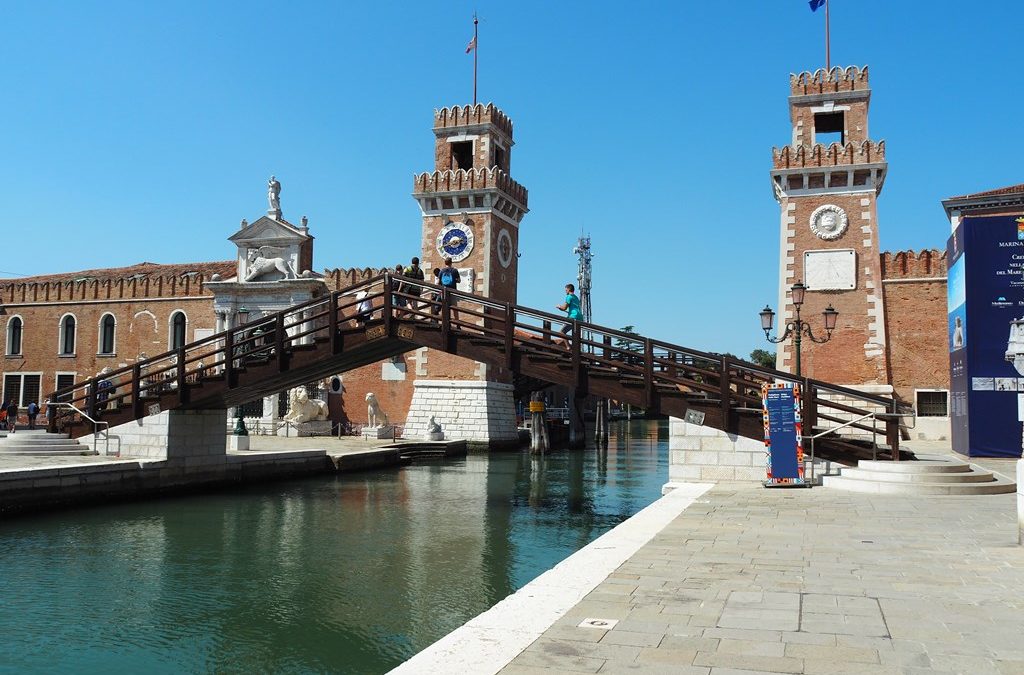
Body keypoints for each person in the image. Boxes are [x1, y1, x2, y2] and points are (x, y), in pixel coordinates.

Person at [556, 283, 583, 349]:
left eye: (566, 290)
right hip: (579, 317)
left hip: (573, 317)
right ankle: (576, 347)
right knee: (575, 334)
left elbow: (564, 308)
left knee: (562, 332)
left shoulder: (569, 297)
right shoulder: (576, 297)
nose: (565, 291)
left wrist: (559, 307)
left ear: (568, 289)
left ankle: (568, 346)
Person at [439, 257, 462, 322]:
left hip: (444, 292)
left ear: (445, 263)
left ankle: (444, 322)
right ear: (451, 262)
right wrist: (454, 280)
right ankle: (457, 324)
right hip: (452, 291)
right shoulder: (454, 270)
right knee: (455, 308)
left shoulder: (441, 271)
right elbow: (459, 280)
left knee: (444, 308)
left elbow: (438, 282)